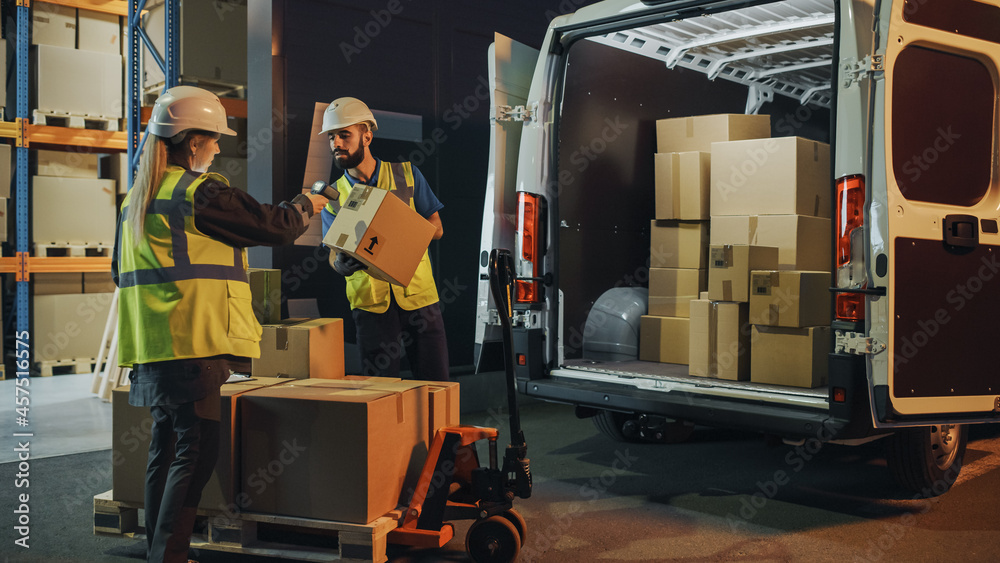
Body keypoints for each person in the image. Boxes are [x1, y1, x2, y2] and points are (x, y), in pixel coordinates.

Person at [111, 85, 326, 563]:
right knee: (194, 452)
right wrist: (311, 201)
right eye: (215, 139)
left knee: (165, 450)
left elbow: (118, 272)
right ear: (192, 143)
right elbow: (275, 226)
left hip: (152, 347)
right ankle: (169, 555)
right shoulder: (199, 192)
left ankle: (161, 550)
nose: (219, 147)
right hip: (194, 343)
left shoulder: (135, 201)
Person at [319, 97, 449, 381]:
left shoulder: (406, 174)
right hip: (370, 305)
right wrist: (339, 264)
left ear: (367, 135)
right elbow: (332, 253)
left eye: (344, 134)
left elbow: (436, 228)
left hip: (418, 298)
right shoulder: (332, 196)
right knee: (380, 391)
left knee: (436, 384)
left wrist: (399, 229)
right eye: (332, 137)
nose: (336, 143)